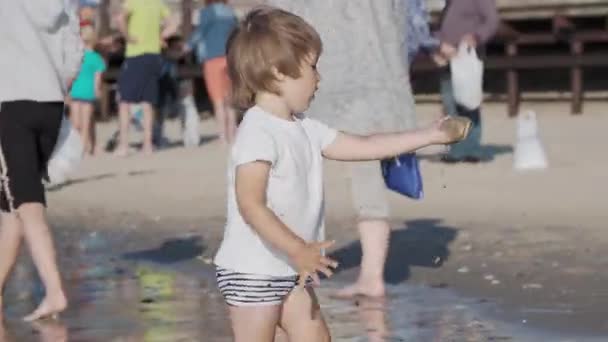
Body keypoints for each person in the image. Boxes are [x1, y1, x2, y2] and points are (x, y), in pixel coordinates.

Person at [213, 7, 471, 341]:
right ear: (278, 73)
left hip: (290, 267)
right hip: (253, 271)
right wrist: (297, 248)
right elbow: (251, 205)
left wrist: (428, 136)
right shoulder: (258, 132)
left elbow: (364, 145)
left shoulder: (304, 128)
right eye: (312, 68)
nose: (319, 78)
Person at [265, 0, 418, 298]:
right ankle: (371, 276)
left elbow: (277, 19)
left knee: (299, 174)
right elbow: (402, 23)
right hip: (379, 80)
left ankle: (302, 268)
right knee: (367, 179)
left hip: (322, 80)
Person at [0, 0, 83, 321]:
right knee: (12, 208)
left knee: (26, 201)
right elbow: (75, 49)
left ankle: (54, 291)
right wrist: (59, 84)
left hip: (9, 101)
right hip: (49, 102)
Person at [434, 0, 499, 163]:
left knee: (469, 102)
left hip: (468, 55)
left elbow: (492, 20)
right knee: (450, 103)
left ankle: (472, 148)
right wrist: (437, 45)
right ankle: (457, 149)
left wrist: (476, 36)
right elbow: (441, 25)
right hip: (448, 55)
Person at [115, 0, 178, 156]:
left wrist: (127, 37)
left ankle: (123, 145)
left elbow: (119, 19)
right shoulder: (158, 4)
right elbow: (174, 23)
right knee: (147, 101)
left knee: (125, 101)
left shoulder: (132, 2)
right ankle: (147, 144)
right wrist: (162, 35)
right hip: (153, 55)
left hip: (136, 54)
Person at [187, 0, 238, 144]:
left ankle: (222, 136)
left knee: (218, 101)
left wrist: (187, 46)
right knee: (230, 100)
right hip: (229, 57)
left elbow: (200, 33)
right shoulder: (230, 12)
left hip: (212, 58)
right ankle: (232, 135)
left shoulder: (207, 12)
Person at [69, 25, 107, 155]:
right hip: (84, 92)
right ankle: (83, 147)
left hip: (79, 92)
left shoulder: (77, 55)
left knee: (77, 124)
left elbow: (70, 74)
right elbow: (98, 78)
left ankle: (82, 148)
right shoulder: (97, 58)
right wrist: (97, 90)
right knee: (83, 124)